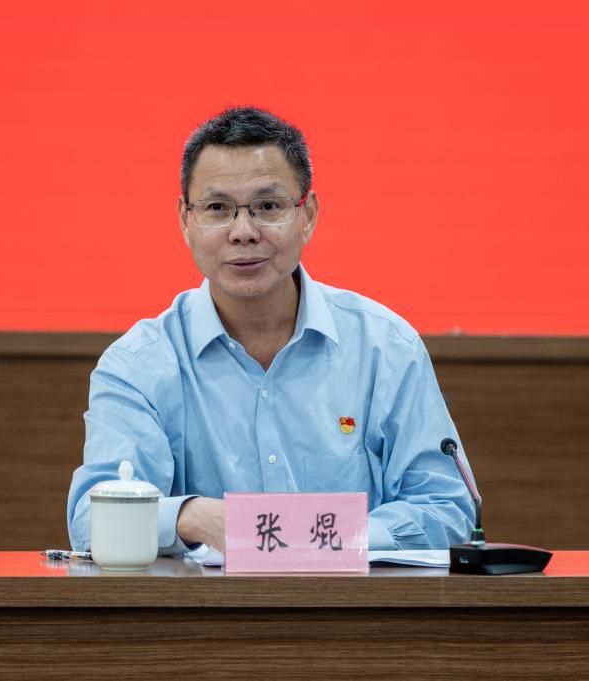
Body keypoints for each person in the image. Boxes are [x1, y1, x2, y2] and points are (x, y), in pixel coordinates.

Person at [68, 107, 476, 554]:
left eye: (268, 207)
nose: (243, 232)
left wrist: (322, 538)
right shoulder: (137, 366)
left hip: (350, 600)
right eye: (217, 208)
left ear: (308, 215)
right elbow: (91, 520)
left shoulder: (385, 348)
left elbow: (449, 509)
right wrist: (191, 517)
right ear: (186, 219)